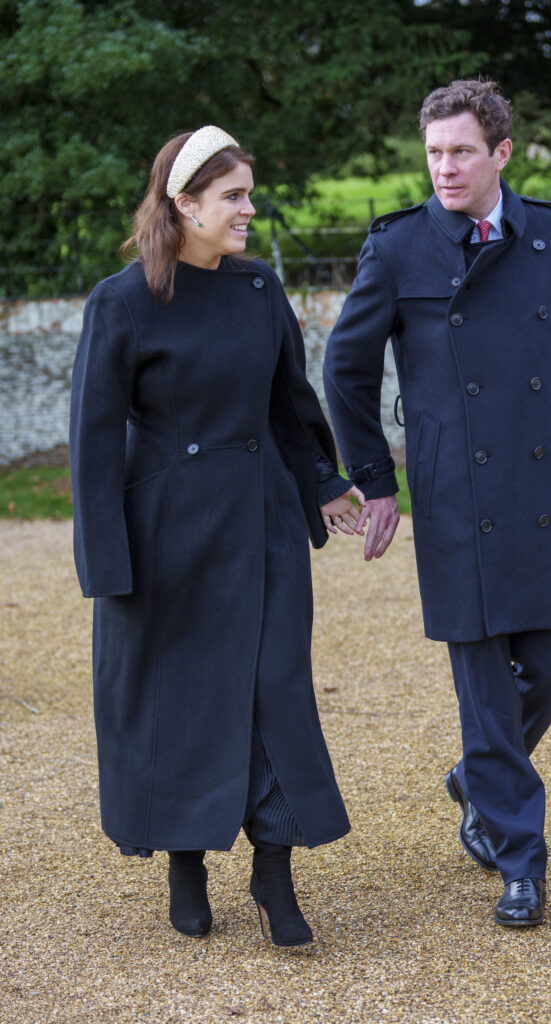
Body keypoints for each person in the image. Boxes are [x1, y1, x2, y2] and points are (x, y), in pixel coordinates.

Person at [323, 80, 551, 927]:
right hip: (454, 493)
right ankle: (519, 861)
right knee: (486, 688)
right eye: (432, 152)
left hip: (540, 486)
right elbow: (344, 373)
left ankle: (477, 776)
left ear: (500, 153)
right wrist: (376, 480)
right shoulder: (396, 250)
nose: (444, 168)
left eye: (460, 150)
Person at [70, 126, 364, 947]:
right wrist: (106, 564)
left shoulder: (259, 288)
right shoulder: (122, 301)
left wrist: (324, 484)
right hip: (165, 535)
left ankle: (275, 869)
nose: (247, 208)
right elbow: (93, 442)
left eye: (246, 193)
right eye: (232, 195)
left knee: (274, 690)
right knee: (180, 701)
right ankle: (186, 860)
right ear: (184, 203)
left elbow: (289, 405)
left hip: (261, 519)